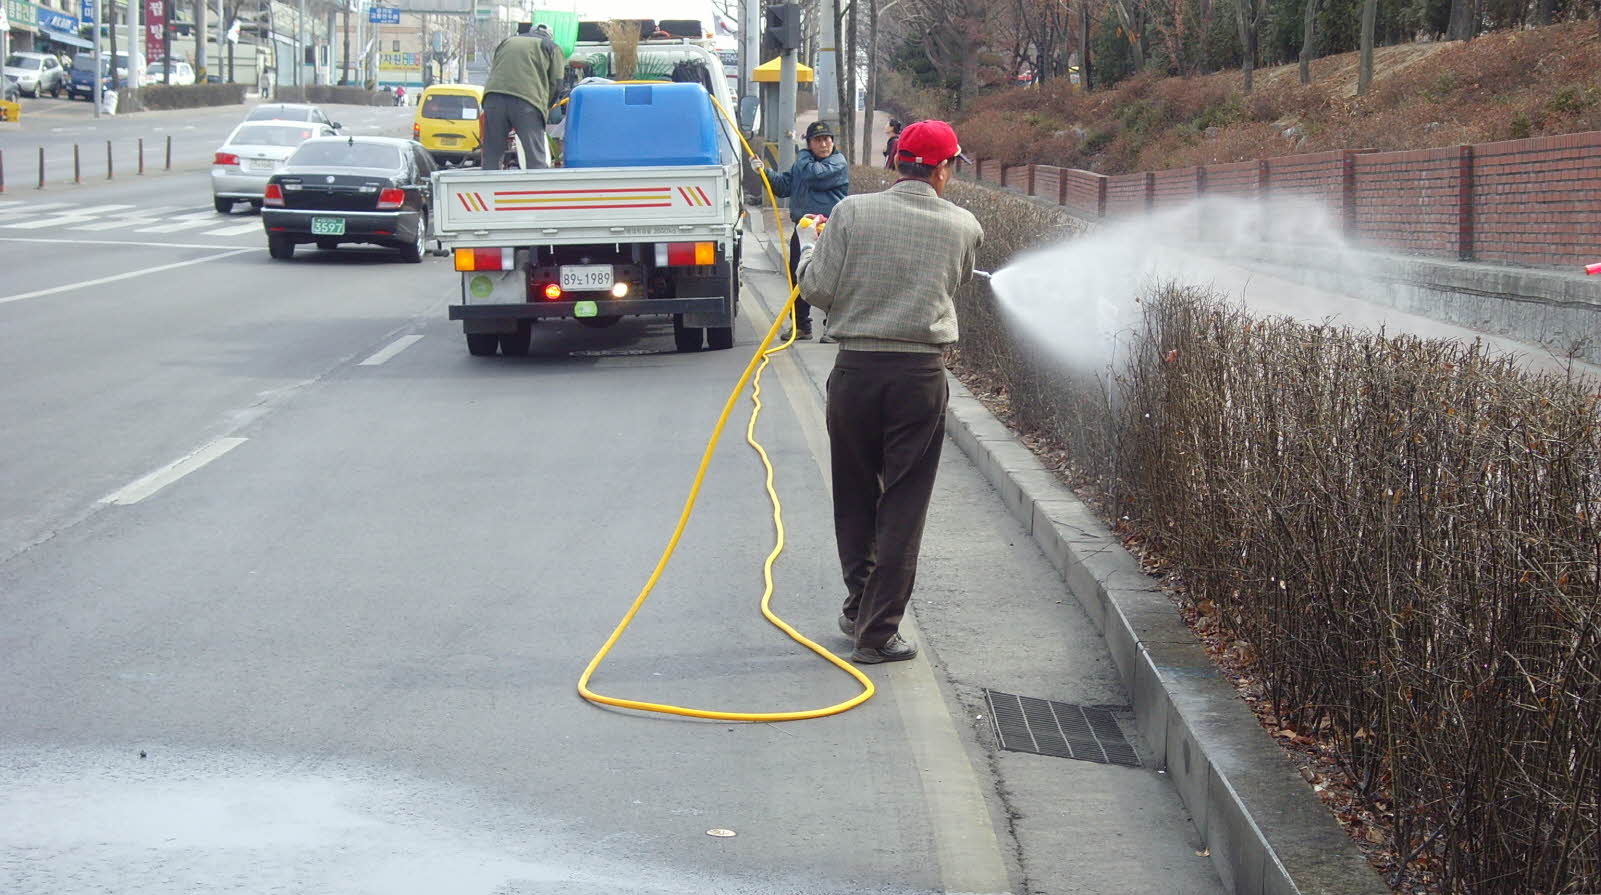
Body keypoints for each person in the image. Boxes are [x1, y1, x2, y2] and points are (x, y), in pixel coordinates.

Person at [794, 120, 983, 664]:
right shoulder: (963, 225)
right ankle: (877, 631)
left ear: (898, 161)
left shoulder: (852, 212)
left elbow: (818, 288)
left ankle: (858, 605)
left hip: (856, 373)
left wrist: (811, 247)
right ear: (943, 168)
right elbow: (957, 281)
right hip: (919, 379)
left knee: (855, 494)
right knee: (903, 503)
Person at [753, 120, 849, 341]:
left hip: (829, 227)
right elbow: (784, 186)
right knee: (799, 276)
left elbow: (814, 175)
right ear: (810, 143)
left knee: (833, 277)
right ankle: (801, 326)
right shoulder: (802, 165)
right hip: (804, 228)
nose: (824, 144)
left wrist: (803, 154)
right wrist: (763, 172)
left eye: (827, 139)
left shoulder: (837, 163)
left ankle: (834, 327)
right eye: (818, 140)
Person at [482, 21, 567, 170]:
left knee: (492, 154)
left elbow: (496, 68)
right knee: (535, 156)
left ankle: (487, 191)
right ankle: (538, 191)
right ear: (549, 36)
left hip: (493, 98)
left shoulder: (507, 41)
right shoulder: (551, 47)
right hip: (527, 102)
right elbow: (557, 83)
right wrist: (545, 107)